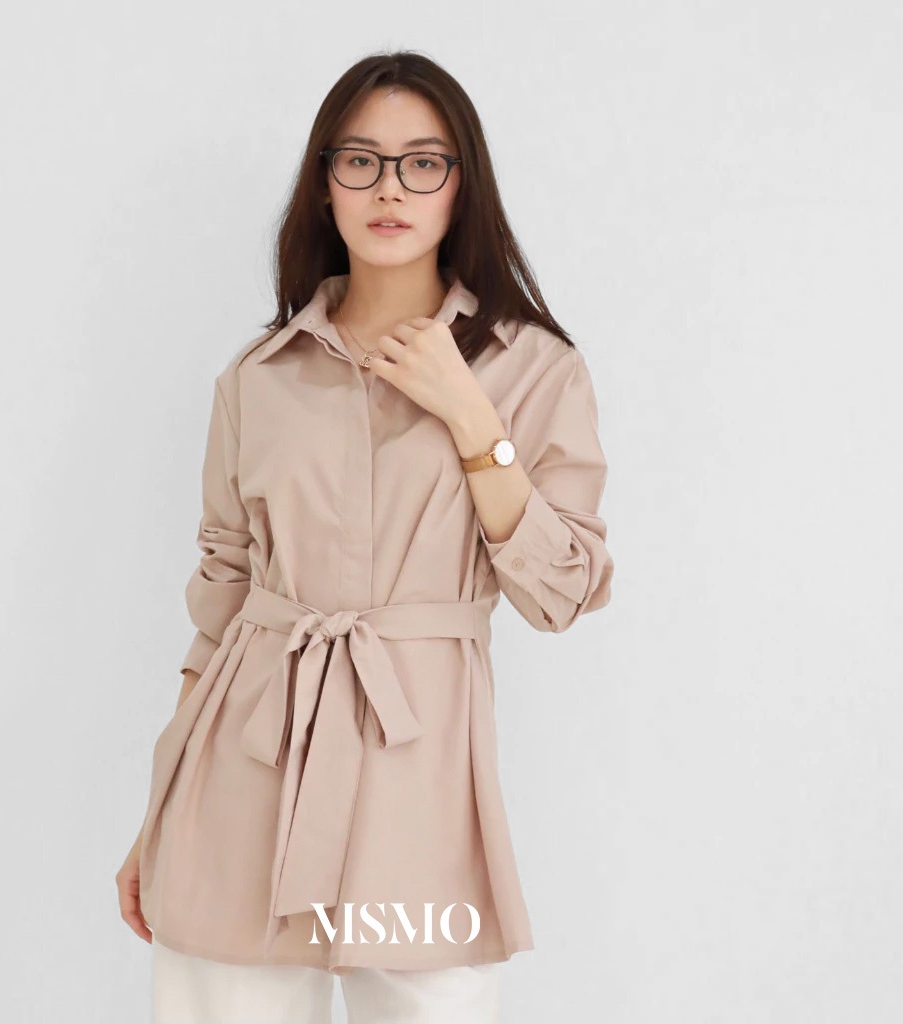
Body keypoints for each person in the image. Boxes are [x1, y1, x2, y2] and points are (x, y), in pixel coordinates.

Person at [116, 49, 614, 1023]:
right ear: (324, 184)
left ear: (461, 185)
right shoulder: (257, 378)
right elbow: (219, 605)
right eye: (361, 161)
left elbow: (563, 589)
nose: (390, 188)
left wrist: (470, 415)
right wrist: (158, 808)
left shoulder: (534, 369)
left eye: (422, 162)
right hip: (241, 784)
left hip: (421, 794)